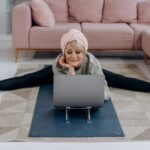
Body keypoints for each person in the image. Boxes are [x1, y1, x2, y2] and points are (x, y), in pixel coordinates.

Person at [0, 29, 150, 100]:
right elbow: (65, 92)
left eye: (78, 52)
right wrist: (70, 71)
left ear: (84, 53)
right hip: (62, 70)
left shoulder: (92, 64)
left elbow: (105, 95)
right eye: (69, 52)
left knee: (119, 79)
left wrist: (90, 89)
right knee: (29, 79)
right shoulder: (57, 65)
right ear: (64, 52)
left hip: (87, 71)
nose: (73, 56)